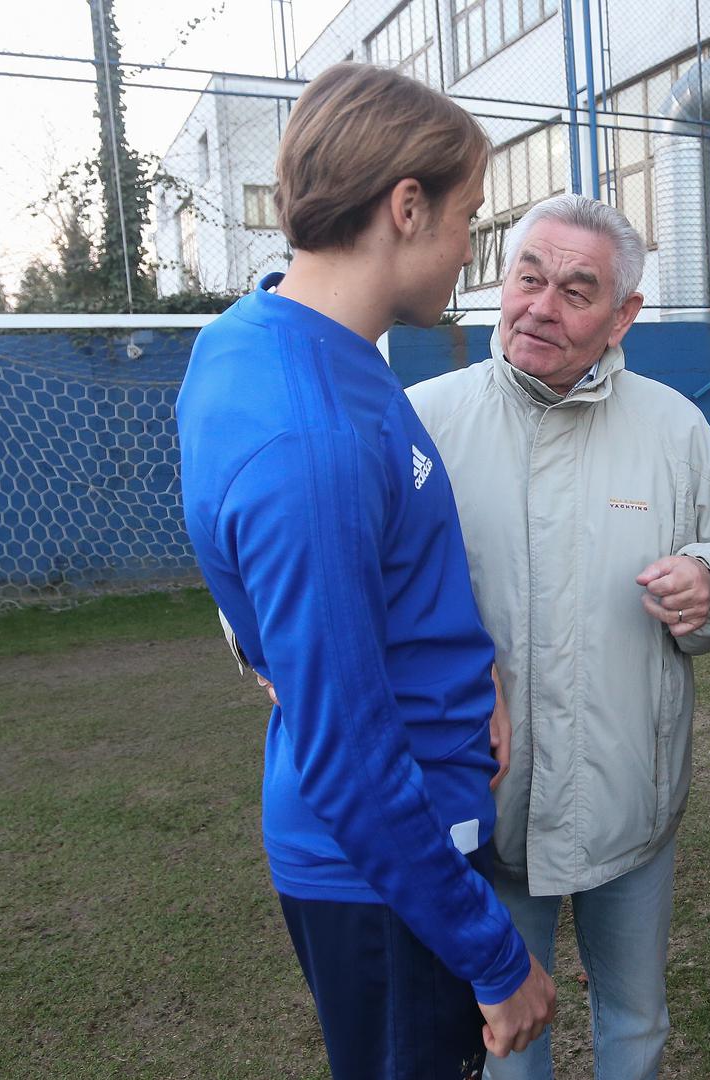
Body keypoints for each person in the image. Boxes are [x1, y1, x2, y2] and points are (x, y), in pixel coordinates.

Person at [177, 63, 554, 1079]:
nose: (471, 251)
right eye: (468, 219)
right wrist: (492, 955)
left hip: (400, 840)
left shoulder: (269, 338)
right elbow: (348, 751)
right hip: (390, 871)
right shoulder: (314, 435)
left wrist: (471, 673)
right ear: (406, 206)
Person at [406, 193, 710, 1080]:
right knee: (508, 1033)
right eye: (528, 278)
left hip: (630, 798)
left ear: (623, 316)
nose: (541, 306)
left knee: (636, 1021)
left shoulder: (672, 427)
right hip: (487, 803)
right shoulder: (419, 422)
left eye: (577, 291)